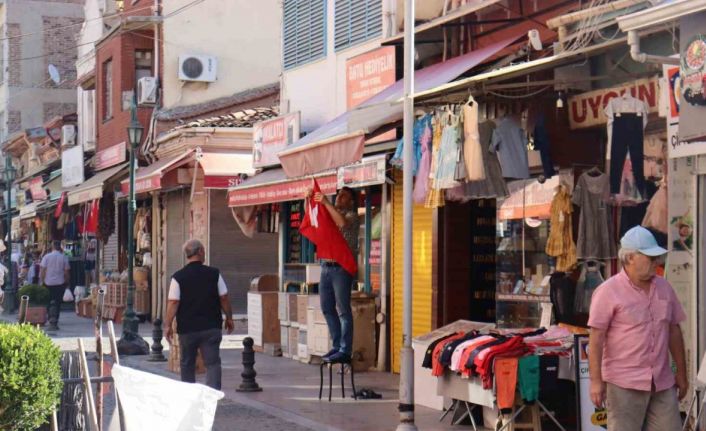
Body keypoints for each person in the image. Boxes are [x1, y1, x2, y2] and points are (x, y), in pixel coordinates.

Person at [588, 226, 687, 431]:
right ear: (630, 258)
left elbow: (674, 331)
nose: (656, 262)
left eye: (656, 258)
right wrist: (596, 382)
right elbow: (596, 339)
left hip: (662, 381)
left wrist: (681, 373)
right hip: (623, 383)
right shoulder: (608, 291)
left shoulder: (664, 287)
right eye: (650, 258)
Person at [164, 239, 234, 390]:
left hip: (187, 329)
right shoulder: (214, 274)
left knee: (187, 363)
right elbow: (224, 297)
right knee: (213, 363)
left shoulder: (178, 277)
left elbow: (173, 302)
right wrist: (229, 318)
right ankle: (212, 395)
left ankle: (189, 395)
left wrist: (167, 325)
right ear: (201, 251)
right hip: (211, 327)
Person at [306, 186, 360, 363]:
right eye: (338, 195)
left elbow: (341, 222)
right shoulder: (330, 212)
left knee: (343, 310)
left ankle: (345, 349)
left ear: (351, 201)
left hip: (341, 267)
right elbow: (315, 218)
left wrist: (326, 202)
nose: (339, 198)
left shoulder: (351, 216)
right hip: (326, 266)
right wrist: (309, 199)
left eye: (344, 196)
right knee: (327, 307)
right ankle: (337, 345)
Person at [40, 241, 70, 330]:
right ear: (59, 247)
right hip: (60, 283)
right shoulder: (63, 257)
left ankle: (50, 318)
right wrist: (67, 282)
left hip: (48, 283)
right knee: (57, 302)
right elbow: (66, 272)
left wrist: (42, 281)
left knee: (48, 302)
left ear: (52, 247)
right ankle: (55, 319)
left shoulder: (46, 257)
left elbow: (43, 270)